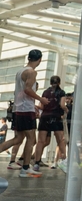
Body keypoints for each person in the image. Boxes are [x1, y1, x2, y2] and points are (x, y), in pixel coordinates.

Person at [0, 49, 49, 177]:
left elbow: (20, 92)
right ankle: (25, 168)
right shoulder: (31, 72)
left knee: (18, 138)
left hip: (19, 109)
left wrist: (33, 105)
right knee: (31, 139)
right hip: (25, 110)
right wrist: (41, 99)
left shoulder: (20, 71)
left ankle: (25, 167)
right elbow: (27, 90)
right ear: (40, 60)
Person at [33, 75, 67, 171]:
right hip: (56, 117)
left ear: (50, 83)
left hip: (45, 117)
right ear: (59, 83)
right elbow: (62, 105)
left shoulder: (45, 92)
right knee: (60, 140)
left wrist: (35, 106)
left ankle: (36, 163)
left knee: (41, 141)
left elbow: (42, 106)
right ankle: (65, 160)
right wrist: (66, 110)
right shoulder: (61, 92)